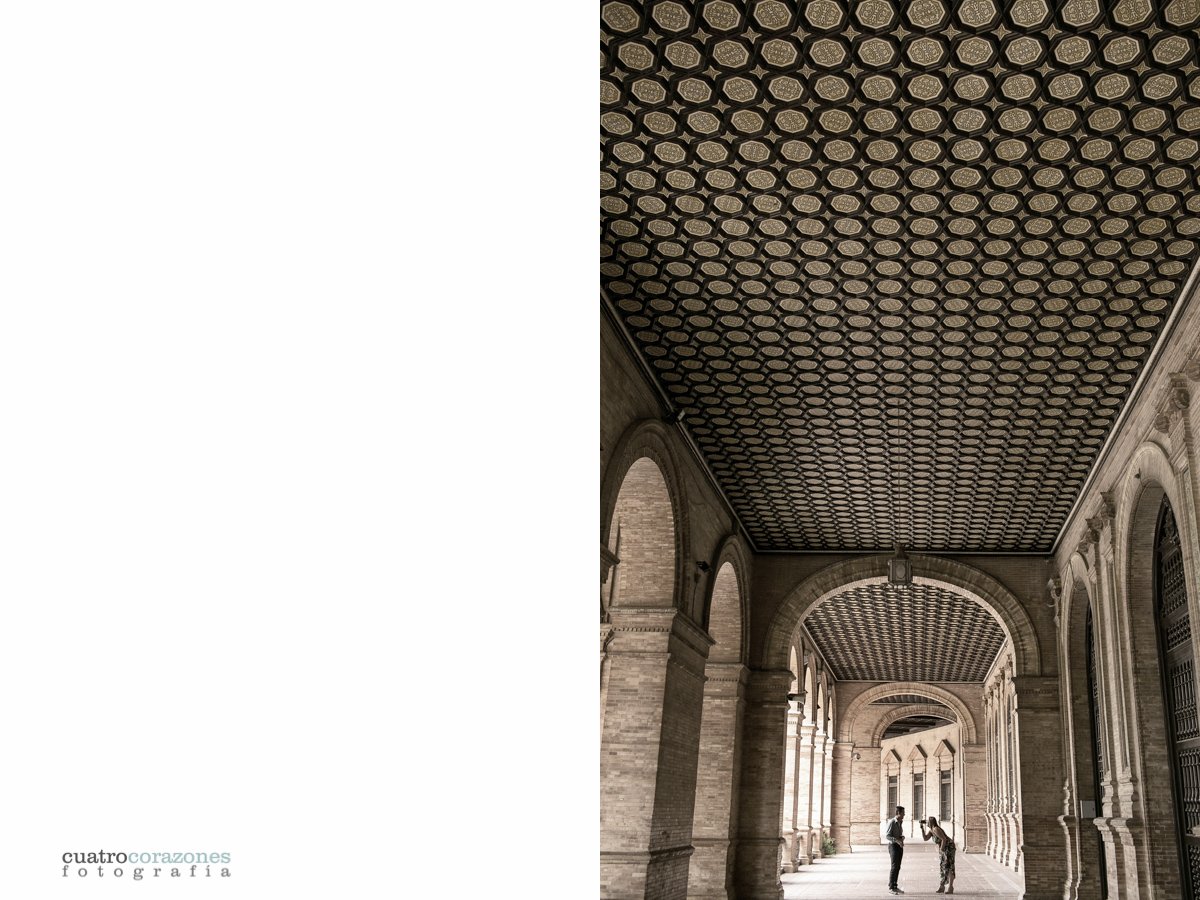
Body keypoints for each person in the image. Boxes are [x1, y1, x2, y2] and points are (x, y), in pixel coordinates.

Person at [920, 815, 956, 894]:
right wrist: (922, 828)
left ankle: (950, 887)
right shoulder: (931, 831)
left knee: (948, 866)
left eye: (927, 821)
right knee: (943, 866)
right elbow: (925, 838)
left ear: (931, 822)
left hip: (949, 847)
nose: (926, 822)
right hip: (944, 847)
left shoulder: (936, 829)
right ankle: (942, 886)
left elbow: (944, 839)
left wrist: (942, 850)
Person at [883, 805, 905, 894]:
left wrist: (902, 838)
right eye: (903, 813)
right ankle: (891, 888)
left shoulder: (900, 822)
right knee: (894, 866)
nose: (904, 815)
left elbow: (898, 835)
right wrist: (897, 840)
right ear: (898, 813)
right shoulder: (892, 822)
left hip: (899, 846)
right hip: (893, 846)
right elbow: (887, 836)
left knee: (898, 867)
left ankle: (895, 886)